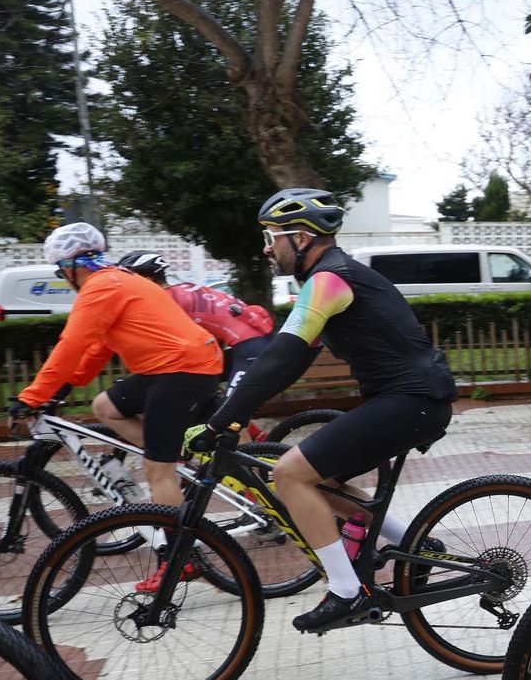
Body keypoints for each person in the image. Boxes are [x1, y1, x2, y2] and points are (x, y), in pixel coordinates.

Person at [186, 189, 457, 633]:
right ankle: (418, 546)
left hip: (411, 402)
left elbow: (278, 356)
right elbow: (289, 361)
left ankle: (346, 592)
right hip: (412, 400)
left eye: (272, 238)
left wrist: (222, 421)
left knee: (289, 474)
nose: (266, 248)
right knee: (323, 482)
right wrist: (234, 413)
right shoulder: (332, 278)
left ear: (302, 237)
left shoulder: (330, 279)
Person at [9, 223, 224, 516]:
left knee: (157, 471)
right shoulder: (119, 279)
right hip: (177, 367)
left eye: (61, 272)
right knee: (105, 406)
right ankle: (174, 452)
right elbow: (99, 346)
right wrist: (67, 384)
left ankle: (180, 556)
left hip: (180, 370)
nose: (64, 279)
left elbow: (71, 344)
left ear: (72, 266)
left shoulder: (100, 286)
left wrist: (31, 398)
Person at [115, 251, 276, 399]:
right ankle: (253, 432)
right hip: (256, 341)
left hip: (251, 348)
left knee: (229, 414)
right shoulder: (184, 289)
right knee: (206, 389)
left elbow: (162, 347)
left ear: (147, 280)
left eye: (130, 280)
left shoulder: (167, 300)